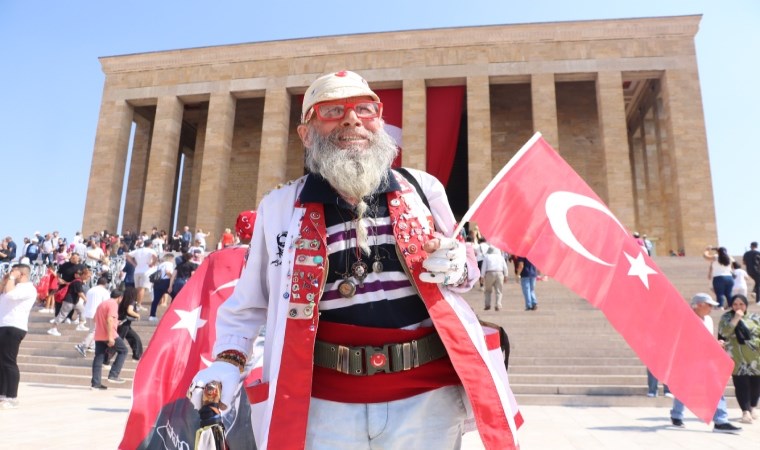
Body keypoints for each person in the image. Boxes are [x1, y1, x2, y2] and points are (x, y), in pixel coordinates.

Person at [189, 70, 520, 449]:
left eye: (365, 109)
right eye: (332, 111)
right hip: (323, 403)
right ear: (306, 133)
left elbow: (465, 275)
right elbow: (248, 303)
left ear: (380, 123)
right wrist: (229, 360)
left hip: (427, 399)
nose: (352, 119)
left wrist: (458, 263)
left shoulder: (423, 188)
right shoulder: (280, 207)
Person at [669, 293, 742, 433]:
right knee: (683, 387)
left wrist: (716, 343)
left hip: (705, 359)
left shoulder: (708, 319)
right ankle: (676, 415)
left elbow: (707, 339)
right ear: (699, 305)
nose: (711, 308)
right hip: (687, 359)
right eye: (709, 305)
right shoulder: (686, 319)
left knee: (715, 387)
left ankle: (721, 421)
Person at [718, 294, 760, 424]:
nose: (738, 307)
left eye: (741, 304)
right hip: (737, 358)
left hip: (755, 358)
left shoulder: (755, 318)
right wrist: (736, 319)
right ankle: (745, 411)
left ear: (746, 305)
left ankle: (752, 407)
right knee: (741, 384)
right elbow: (724, 334)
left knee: (756, 385)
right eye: (735, 304)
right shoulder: (726, 317)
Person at [0, 264, 37, 409]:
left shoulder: (28, 288)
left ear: (22, 274)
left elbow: (10, 295)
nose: (11, 274)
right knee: (1, 362)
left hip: (14, 326)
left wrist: (11, 278)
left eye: (14, 272)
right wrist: (5, 280)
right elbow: (3, 293)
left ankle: (12, 397)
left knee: (9, 362)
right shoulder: (10, 285)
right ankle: (2, 394)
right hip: (3, 325)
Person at [91, 289, 128, 390]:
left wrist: (116, 322)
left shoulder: (102, 304)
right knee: (124, 351)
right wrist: (110, 337)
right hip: (109, 334)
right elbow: (109, 319)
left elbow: (95, 319)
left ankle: (95, 383)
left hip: (99, 334)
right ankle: (114, 374)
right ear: (120, 297)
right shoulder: (113, 304)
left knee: (99, 357)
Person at [47, 267, 90, 336]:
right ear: (83, 275)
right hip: (69, 301)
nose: (88, 278)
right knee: (62, 315)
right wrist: (86, 300)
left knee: (82, 310)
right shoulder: (77, 282)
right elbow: (80, 293)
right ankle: (53, 328)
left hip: (74, 301)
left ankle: (81, 325)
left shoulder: (79, 282)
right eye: (88, 276)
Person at [75, 275, 111, 357]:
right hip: (97, 313)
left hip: (87, 312)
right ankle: (82, 345)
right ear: (105, 284)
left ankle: (90, 345)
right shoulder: (105, 292)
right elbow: (105, 305)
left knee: (92, 330)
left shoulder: (90, 290)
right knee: (94, 331)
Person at [126, 239, 158, 312]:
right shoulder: (151, 250)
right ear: (150, 245)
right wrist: (152, 264)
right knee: (142, 288)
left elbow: (127, 255)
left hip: (137, 270)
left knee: (138, 288)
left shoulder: (138, 250)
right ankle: (138, 305)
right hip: (146, 271)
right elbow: (155, 257)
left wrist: (134, 264)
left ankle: (136, 304)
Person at [480, 245, 508, 311]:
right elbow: (505, 267)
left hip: (489, 273)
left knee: (488, 291)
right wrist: (506, 275)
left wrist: (482, 276)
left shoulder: (487, 257)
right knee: (499, 291)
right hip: (500, 273)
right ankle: (498, 305)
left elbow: (483, 267)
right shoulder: (501, 257)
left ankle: (487, 305)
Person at [149, 254, 174, 321]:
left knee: (156, 300)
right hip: (166, 281)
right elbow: (167, 271)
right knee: (174, 297)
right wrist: (173, 278)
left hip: (157, 282)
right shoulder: (169, 264)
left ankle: (152, 315)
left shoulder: (160, 265)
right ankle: (172, 314)